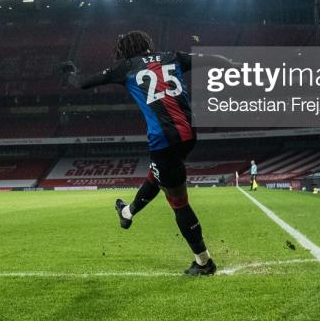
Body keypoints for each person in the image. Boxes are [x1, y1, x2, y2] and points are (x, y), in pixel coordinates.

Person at [62, 29, 235, 276]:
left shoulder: (126, 67)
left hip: (163, 141)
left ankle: (204, 262)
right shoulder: (172, 56)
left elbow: (82, 83)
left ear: (126, 50)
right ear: (147, 44)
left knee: (178, 202)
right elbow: (211, 59)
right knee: (159, 174)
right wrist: (233, 63)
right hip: (189, 135)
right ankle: (126, 212)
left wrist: (70, 73)